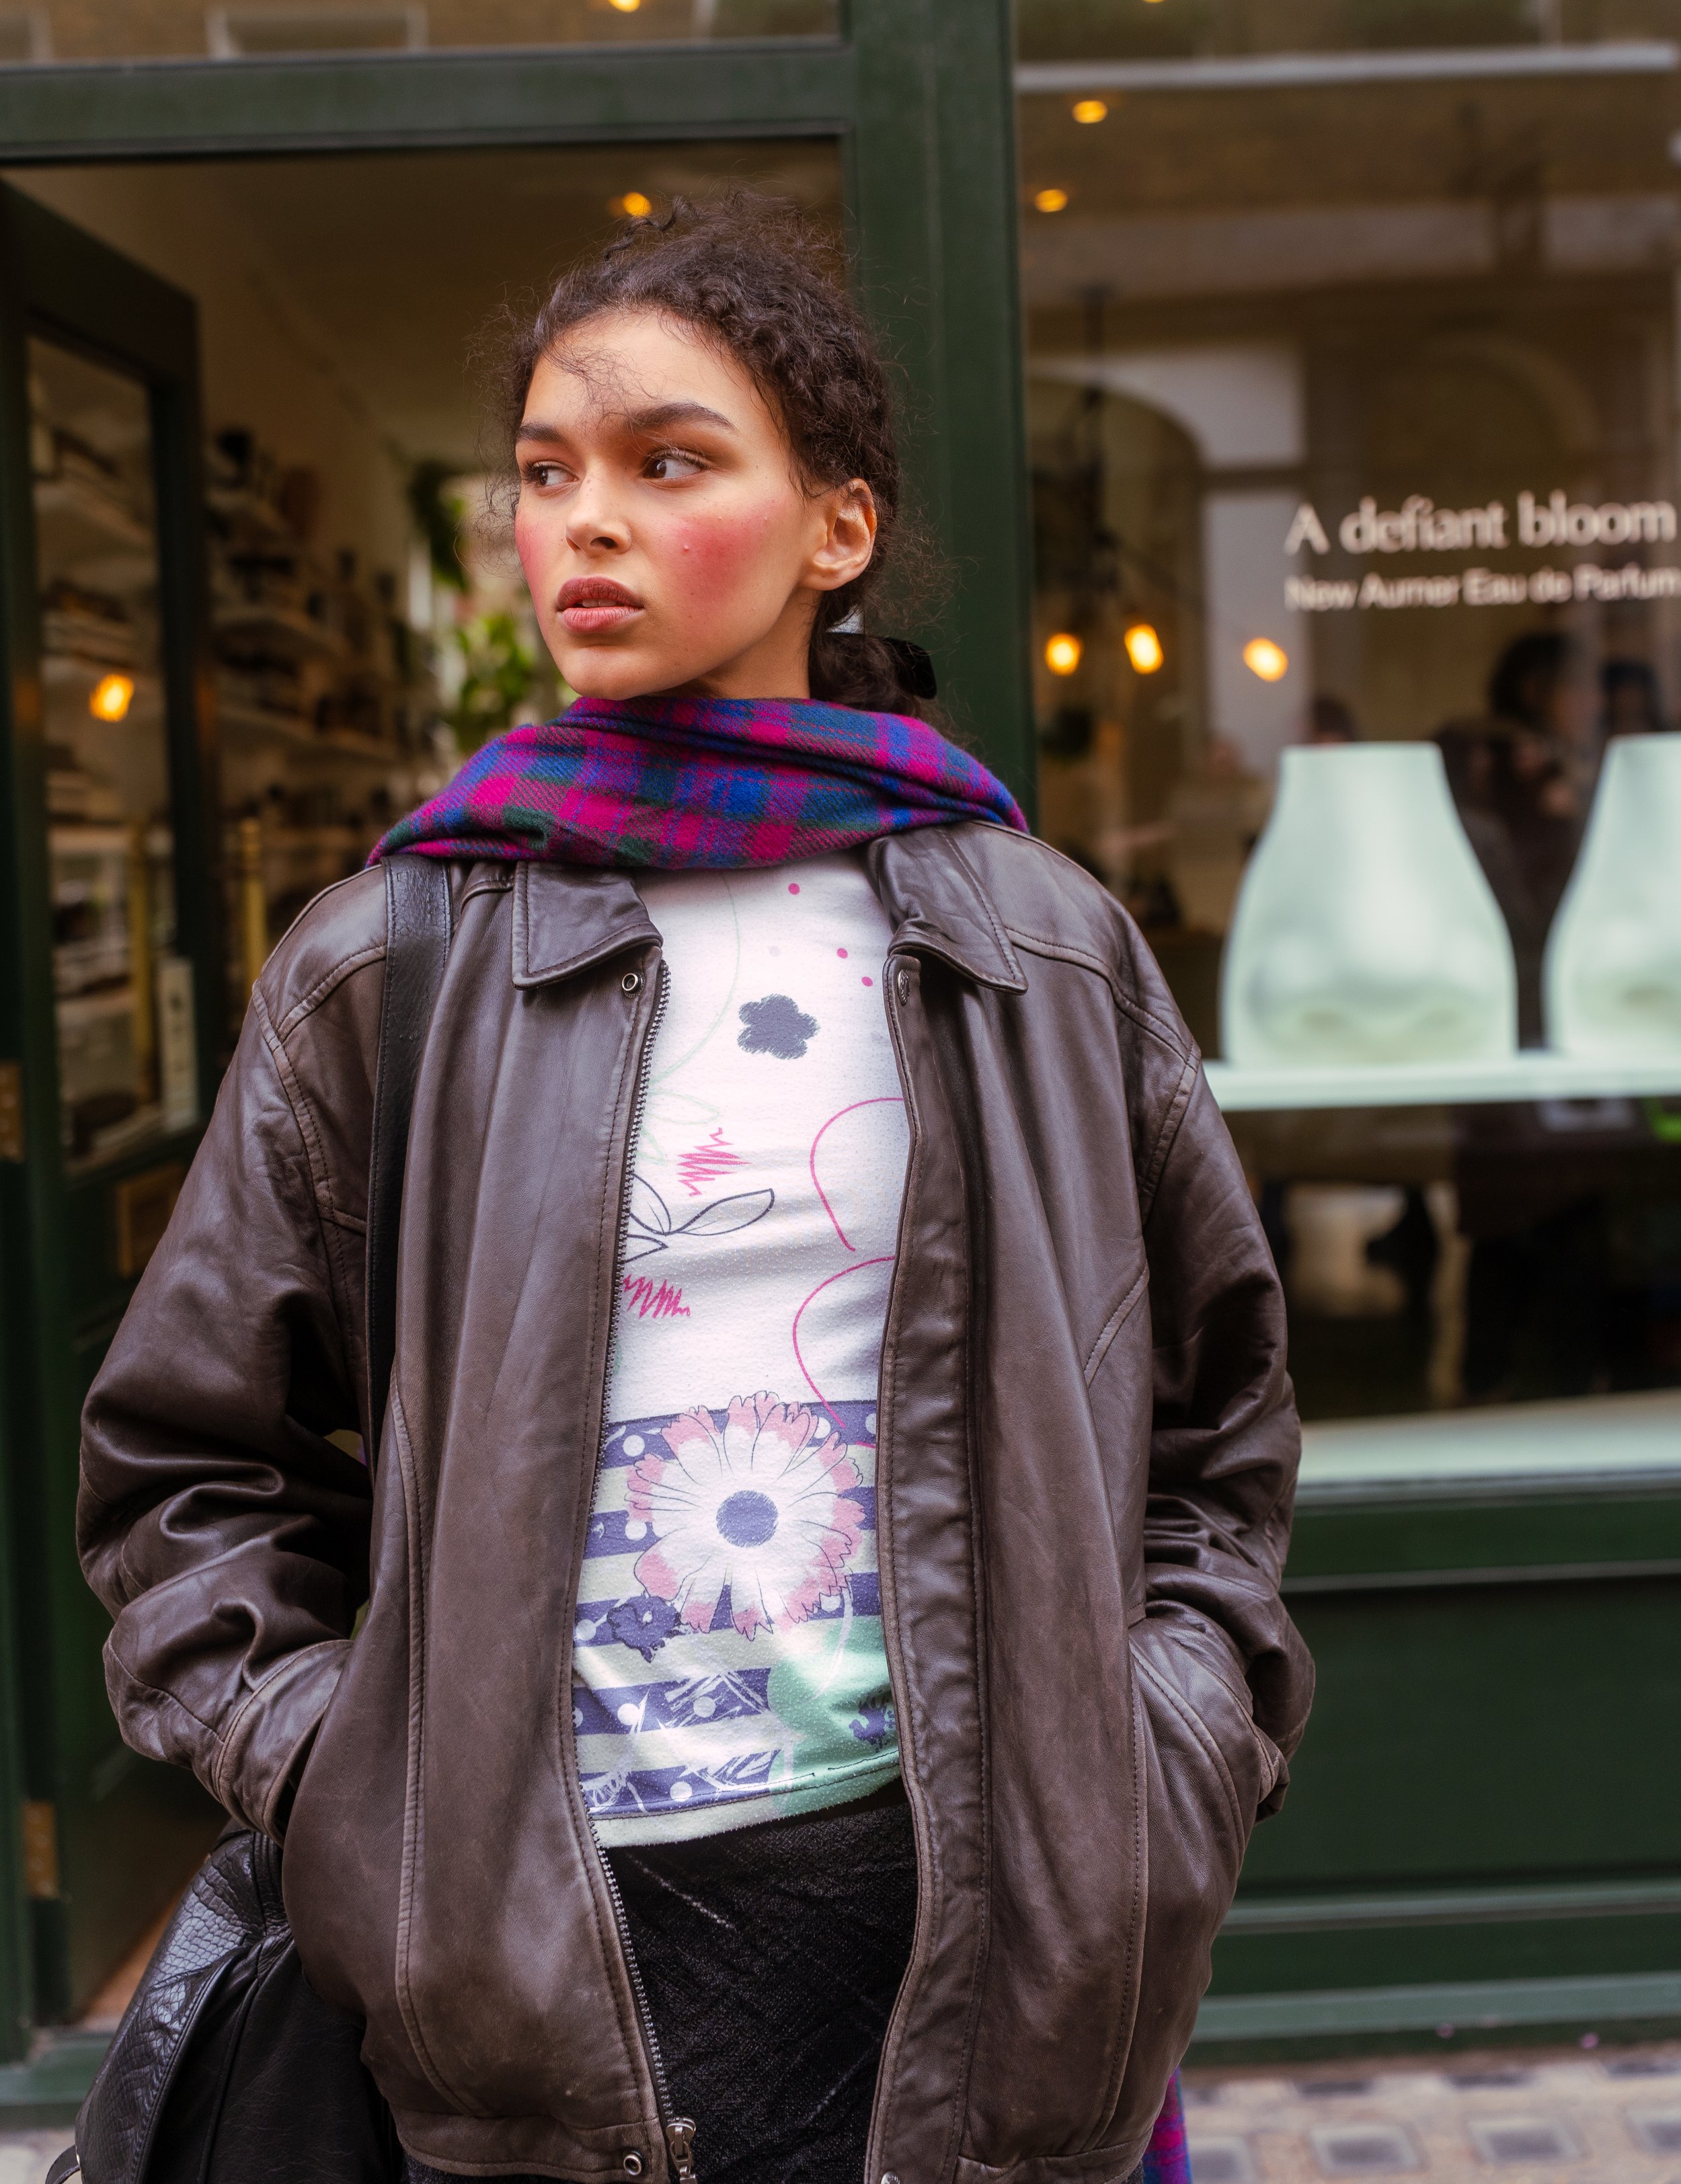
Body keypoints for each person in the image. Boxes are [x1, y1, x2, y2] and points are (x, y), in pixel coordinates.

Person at [77, 199, 1312, 2184]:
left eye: (668, 463)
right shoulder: (392, 960)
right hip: (536, 1937)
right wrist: (350, 1792)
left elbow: (1215, 1421)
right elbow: (184, 1466)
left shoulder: (1035, 944)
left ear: (836, 526)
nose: (585, 520)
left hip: (976, 1915)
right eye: (545, 472)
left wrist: (1163, 1758)